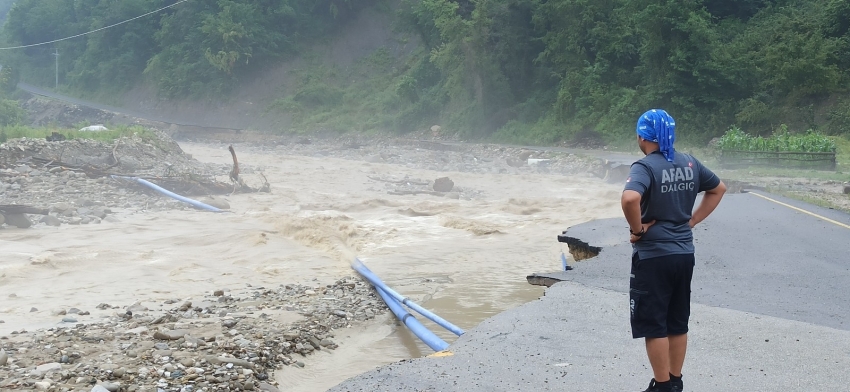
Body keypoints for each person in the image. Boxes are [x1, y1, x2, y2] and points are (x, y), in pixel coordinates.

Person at [621, 109, 726, 392]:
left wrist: (637, 230)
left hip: (654, 256)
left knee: (654, 325)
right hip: (683, 254)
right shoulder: (689, 163)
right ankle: (675, 382)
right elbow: (718, 189)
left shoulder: (644, 167)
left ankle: (662, 386)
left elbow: (630, 198)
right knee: (677, 322)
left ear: (643, 136)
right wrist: (691, 220)